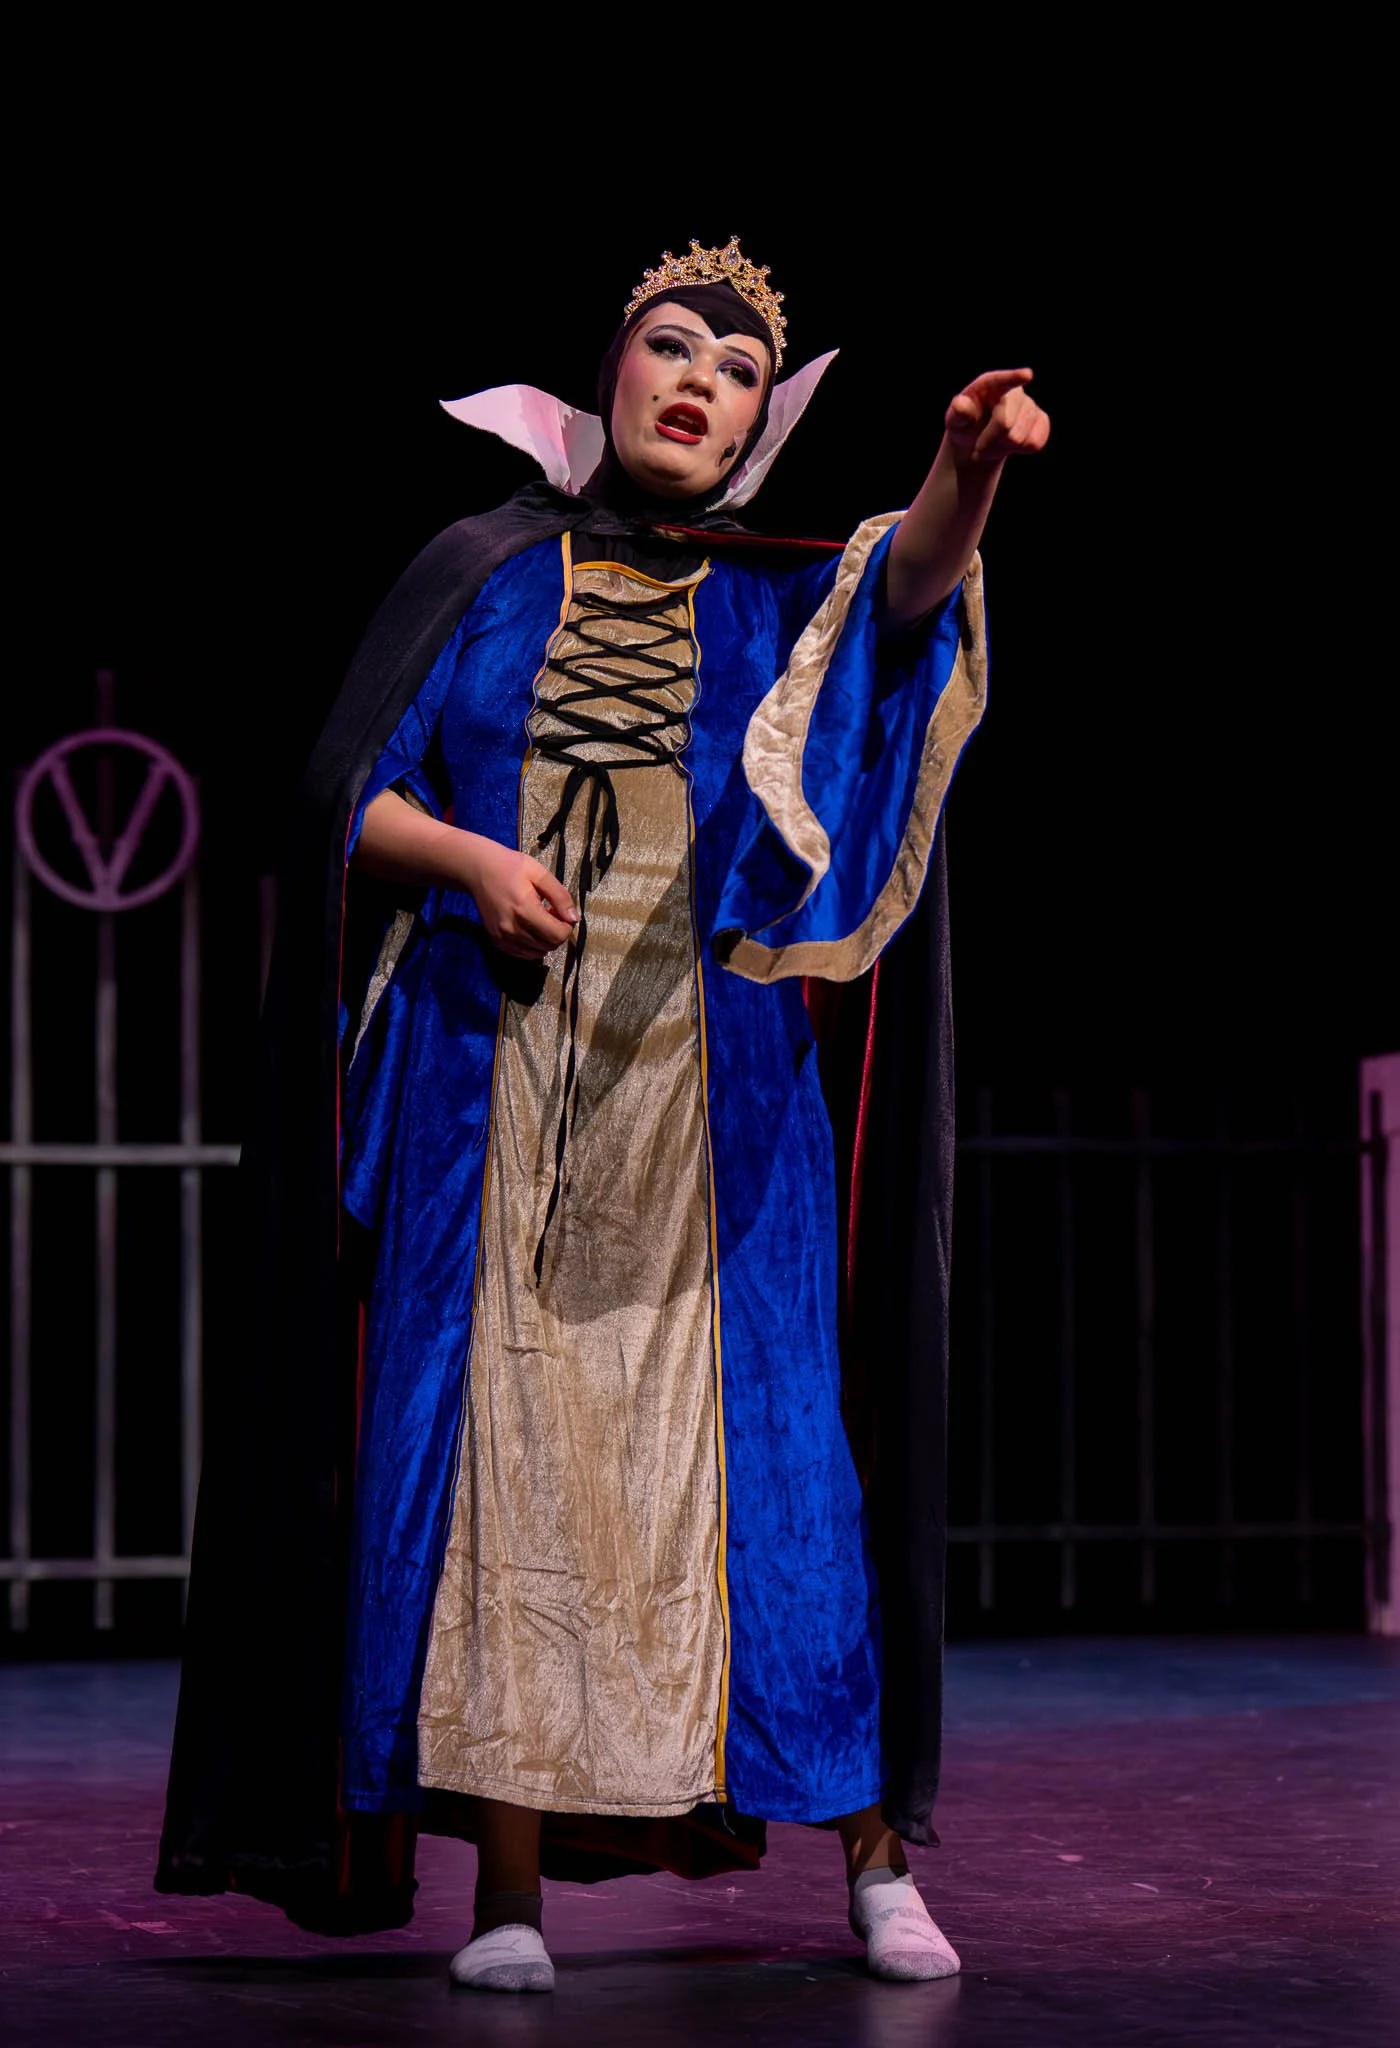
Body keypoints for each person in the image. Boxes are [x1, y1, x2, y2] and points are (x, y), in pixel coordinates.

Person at [156, 235, 1049, 1993]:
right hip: (492, 1091)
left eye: (735, 367)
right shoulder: (484, 571)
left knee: (783, 1474)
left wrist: (964, 474)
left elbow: (902, 608)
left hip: (724, 1106)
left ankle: (871, 1860)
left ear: (759, 424)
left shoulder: (772, 597)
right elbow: (348, 796)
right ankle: (508, 1896)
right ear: (611, 371)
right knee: (510, 1475)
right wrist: (471, 859)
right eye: (671, 345)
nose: (698, 379)